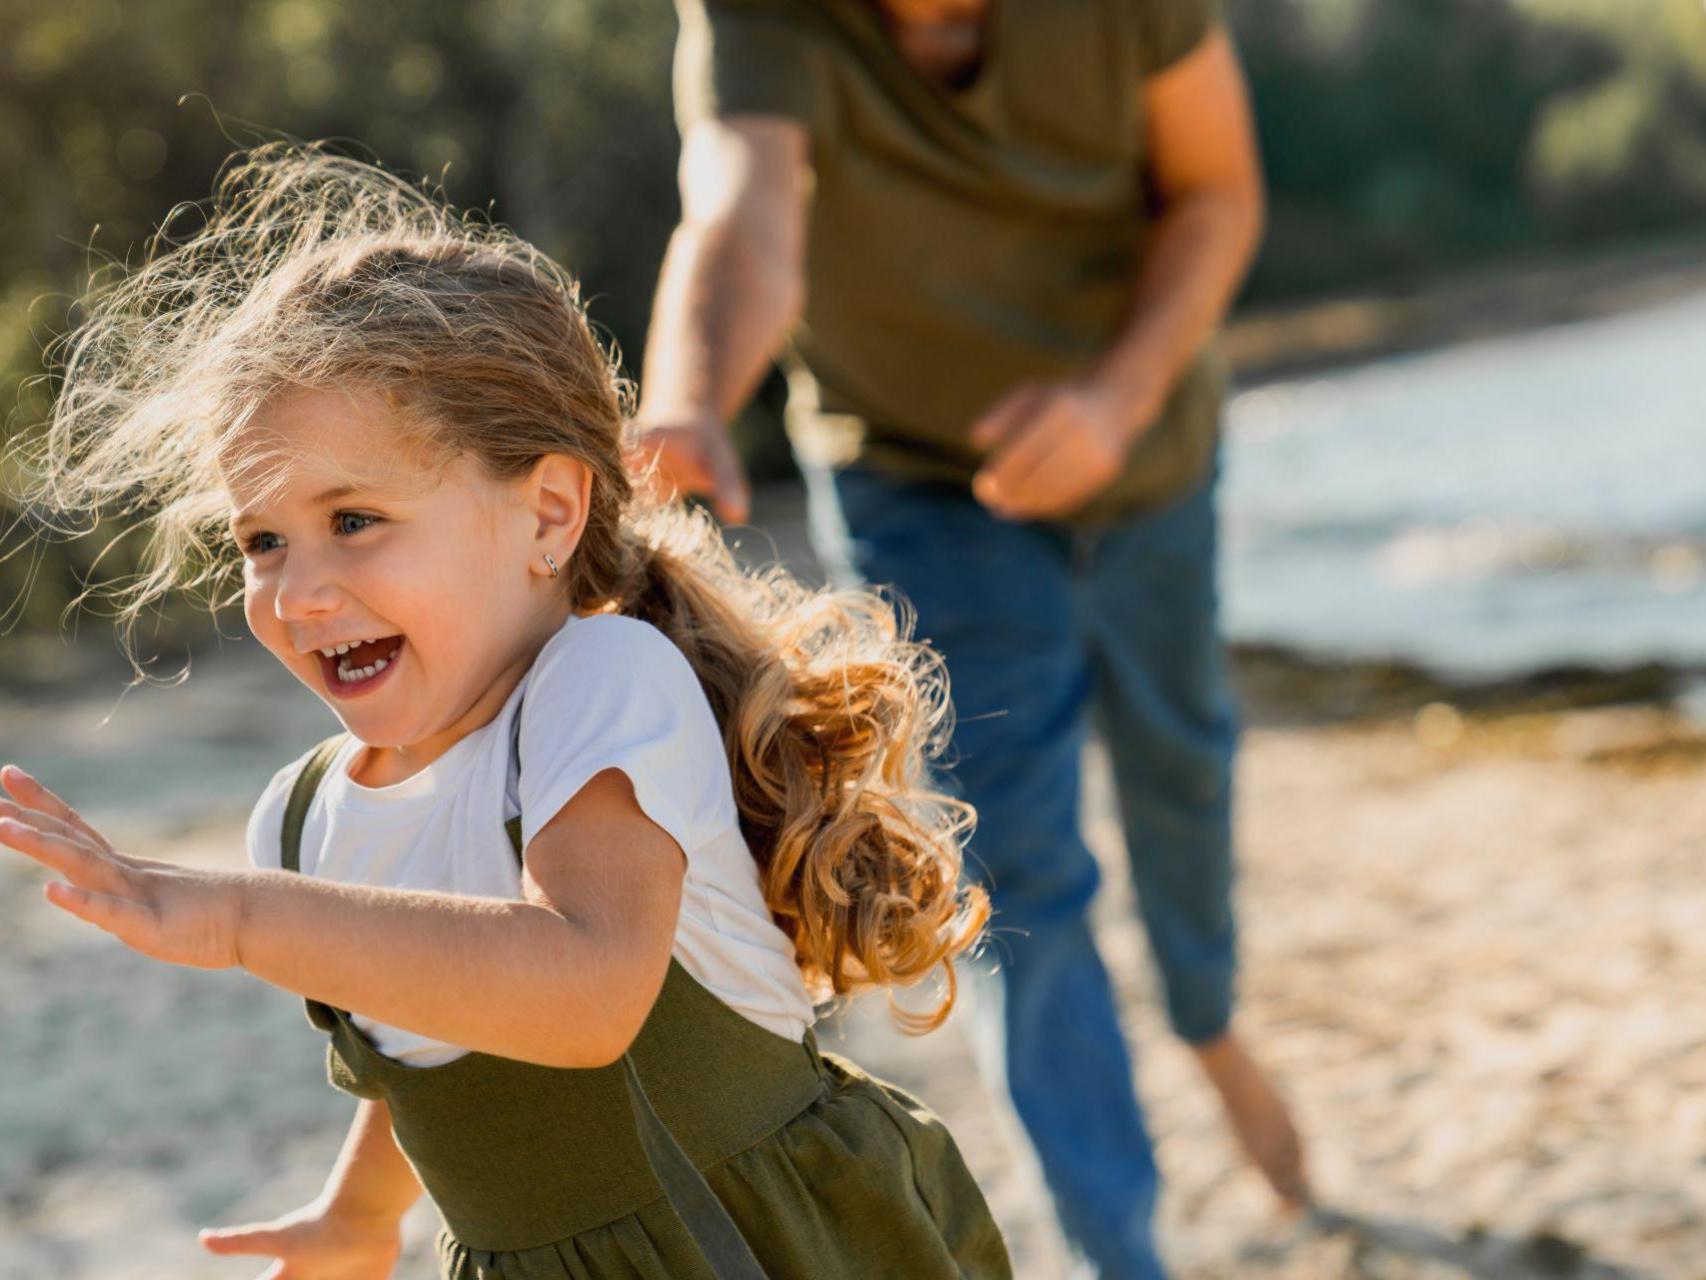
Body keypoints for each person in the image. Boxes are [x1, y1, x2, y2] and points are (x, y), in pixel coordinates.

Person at [0, 144, 1013, 1280]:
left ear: (545, 512)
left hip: (770, 1247)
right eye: (262, 540)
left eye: (354, 519)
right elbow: (439, 1038)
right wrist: (355, 1211)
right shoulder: (303, 826)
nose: (298, 589)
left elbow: (585, 992)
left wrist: (243, 919)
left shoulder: (599, 685)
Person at [631, 1, 1308, 1275]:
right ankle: (1121, 1252)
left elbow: (1216, 194)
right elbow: (740, 207)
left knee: (1182, 769)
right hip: (923, 480)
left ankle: (1209, 1024)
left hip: (1147, 444)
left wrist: (1110, 399)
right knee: (1015, 868)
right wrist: (687, 400)